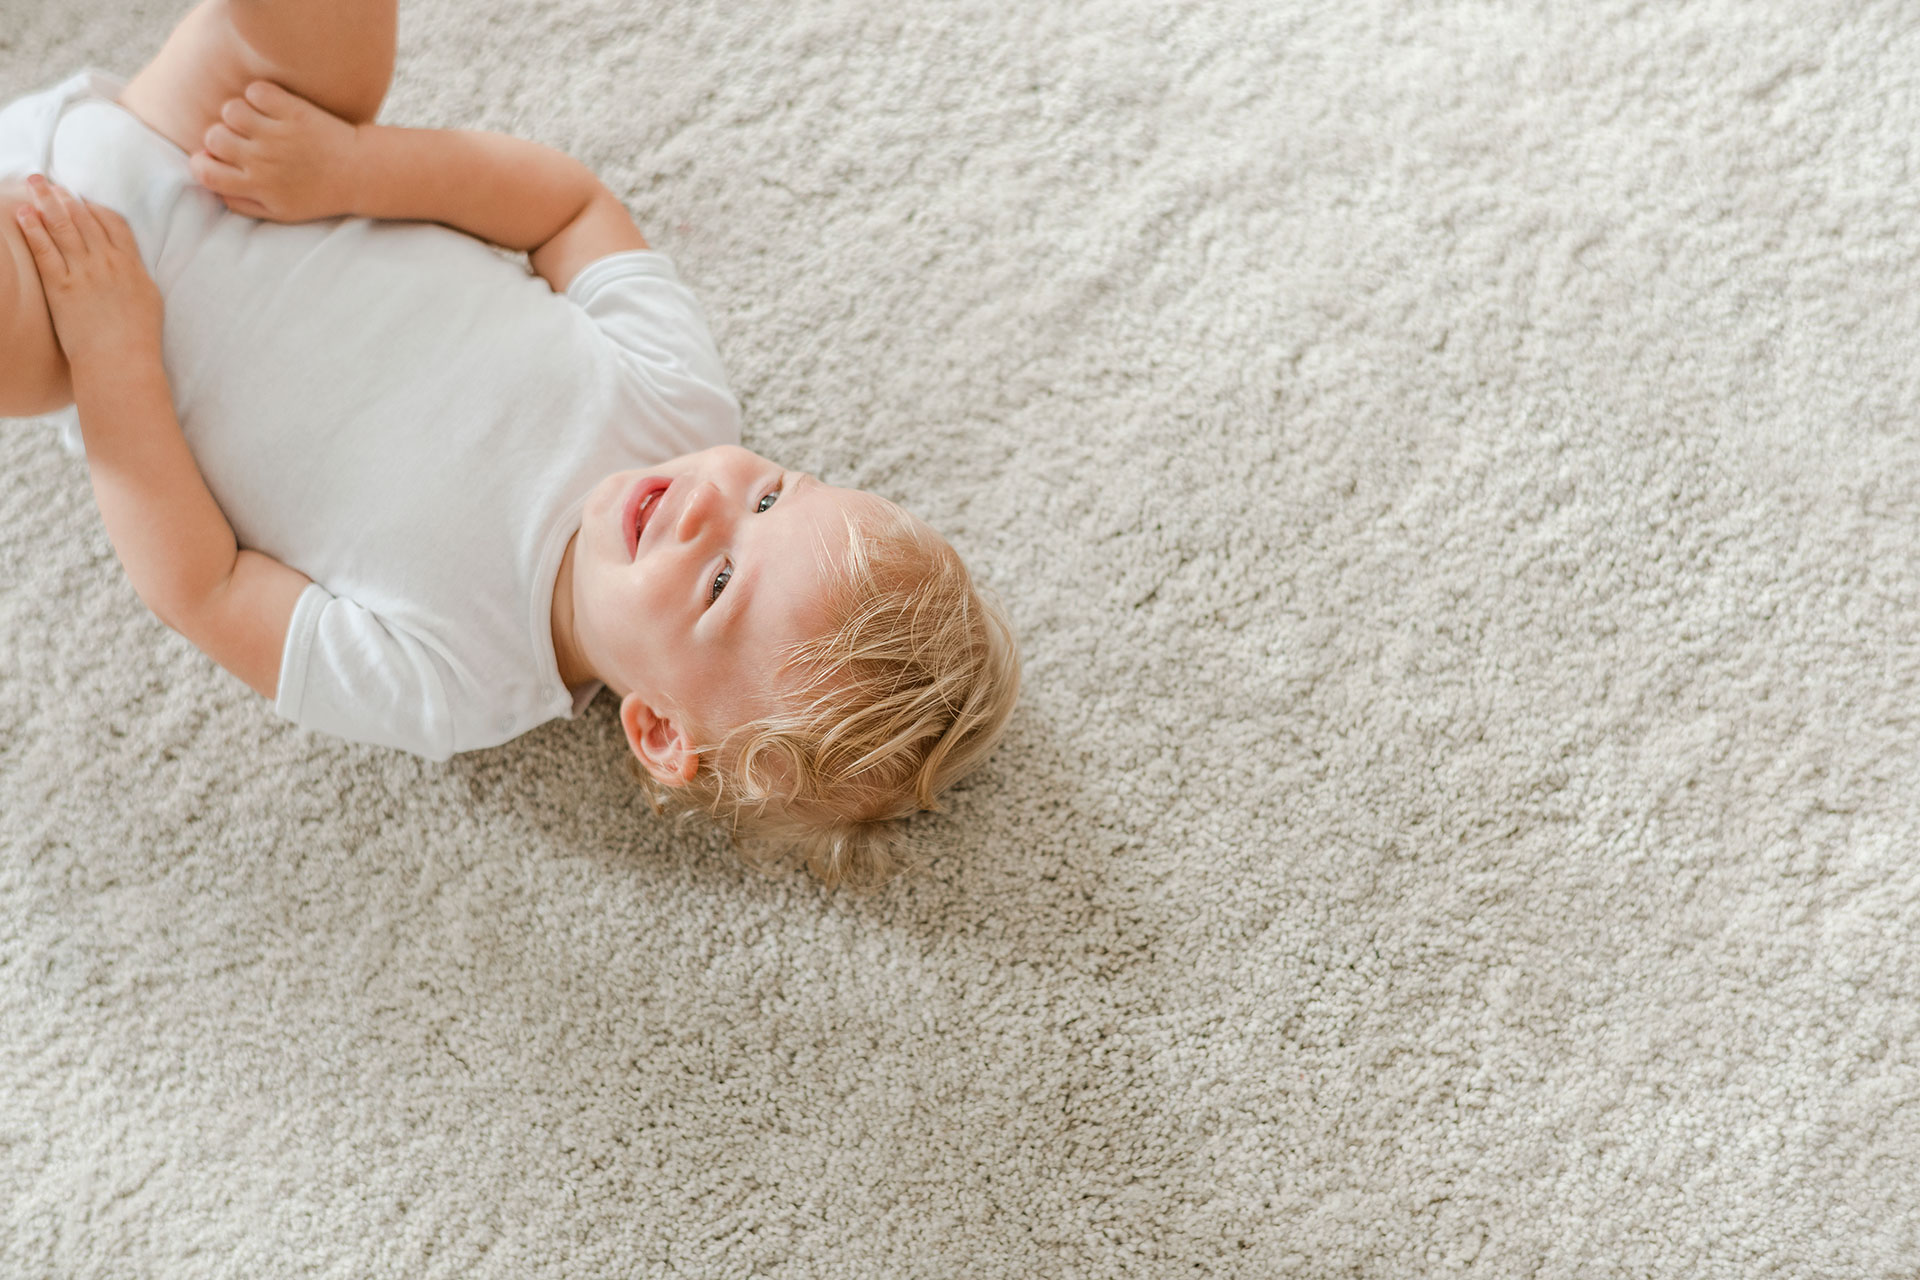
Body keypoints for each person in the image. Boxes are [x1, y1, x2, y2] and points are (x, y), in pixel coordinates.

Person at [0, 0, 1019, 889]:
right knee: (337, 46)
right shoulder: (678, 403)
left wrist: (113, 350)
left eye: (717, 583)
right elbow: (569, 209)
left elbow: (204, 587)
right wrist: (356, 166)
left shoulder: (457, 679)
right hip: (245, 137)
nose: (712, 503)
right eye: (773, 498)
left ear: (661, 729)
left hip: (72, 304)